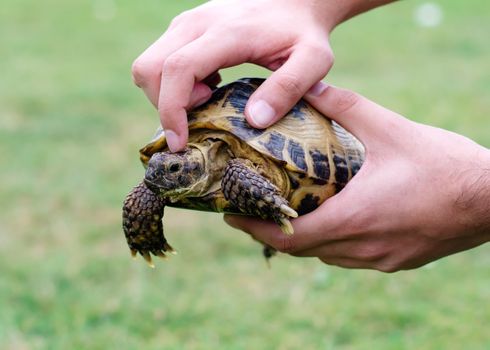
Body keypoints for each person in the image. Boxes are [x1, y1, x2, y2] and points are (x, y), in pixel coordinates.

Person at [130, 0, 490, 272]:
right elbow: (152, 185)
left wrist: (475, 196)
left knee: (241, 177)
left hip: (281, 163)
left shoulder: (240, 171)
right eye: (167, 167)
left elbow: (240, 174)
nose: (162, 174)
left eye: (176, 170)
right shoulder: (165, 172)